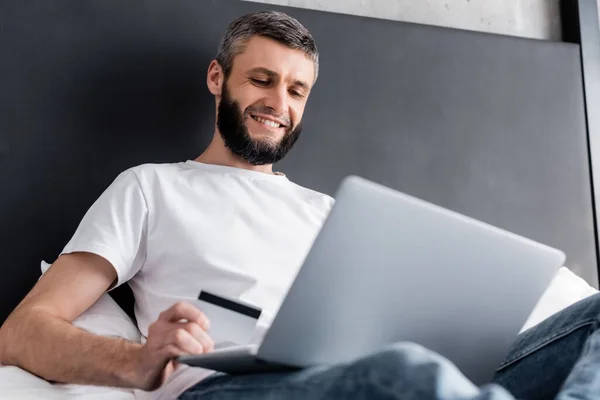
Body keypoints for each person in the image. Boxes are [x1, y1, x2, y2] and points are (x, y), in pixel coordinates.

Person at [1, 9, 600, 400]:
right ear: (217, 78)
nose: (278, 102)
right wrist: (137, 362)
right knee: (406, 375)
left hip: (364, 374)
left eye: (296, 90)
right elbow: (22, 332)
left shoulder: (333, 213)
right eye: (261, 80)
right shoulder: (151, 187)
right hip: (233, 387)